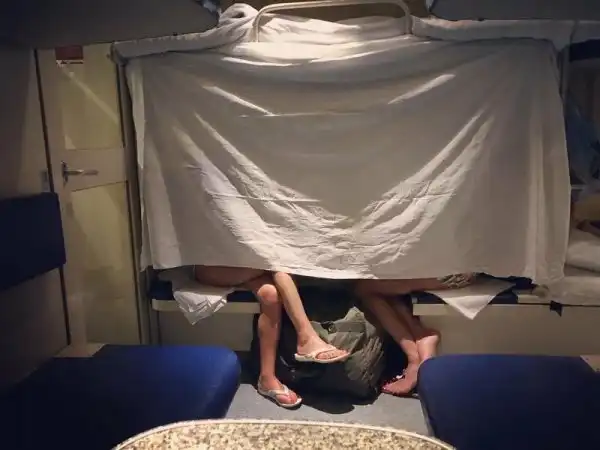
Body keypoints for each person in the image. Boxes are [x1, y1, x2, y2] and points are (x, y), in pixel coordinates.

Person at [194, 266, 349, 408]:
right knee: (281, 265)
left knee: (270, 295)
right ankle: (306, 338)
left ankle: (266, 379)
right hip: (213, 268)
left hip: (249, 266)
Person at [354, 274, 476, 397]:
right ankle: (420, 338)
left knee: (364, 287)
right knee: (377, 288)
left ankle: (415, 357)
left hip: (453, 274)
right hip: (451, 271)